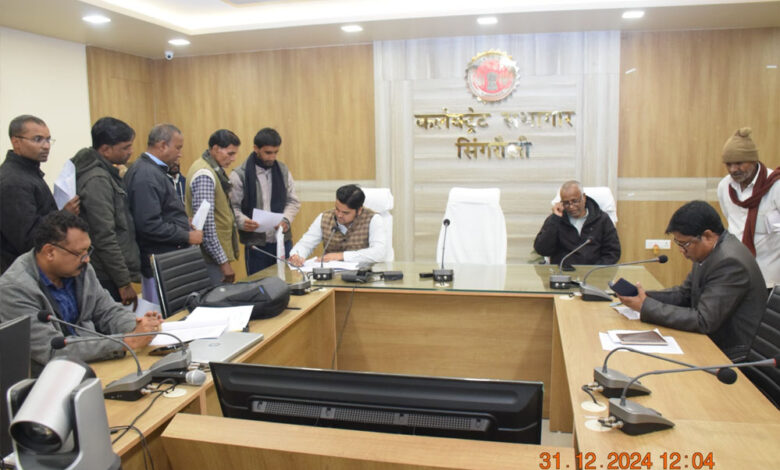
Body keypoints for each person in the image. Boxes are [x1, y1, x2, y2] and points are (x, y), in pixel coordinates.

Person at [0, 211, 161, 376]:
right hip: (49, 378)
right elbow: (51, 350)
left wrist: (139, 326)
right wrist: (125, 341)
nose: (87, 259)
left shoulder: (80, 269)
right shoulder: (15, 289)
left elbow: (107, 311)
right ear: (50, 252)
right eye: (80, 253)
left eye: (87, 251)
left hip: (95, 363)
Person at [617, 201, 766, 362]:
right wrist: (645, 296)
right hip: (713, 340)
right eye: (678, 243)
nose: (681, 250)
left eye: (684, 244)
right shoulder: (710, 251)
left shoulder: (730, 262)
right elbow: (684, 294)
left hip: (732, 352)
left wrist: (645, 306)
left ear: (707, 236)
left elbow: (704, 321)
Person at [125, 124, 203, 303]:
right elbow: (149, 224)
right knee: (164, 314)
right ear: (162, 145)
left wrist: (182, 222)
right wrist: (186, 236)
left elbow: (160, 212)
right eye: (178, 148)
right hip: (159, 263)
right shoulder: (146, 174)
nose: (180, 154)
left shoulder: (152, 170)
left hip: (165, 260)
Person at [71, 117, 141, 307]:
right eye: (125, 147)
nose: (130, 151)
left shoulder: (107, 173)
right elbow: (104, 236)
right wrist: (123, 282)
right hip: (106, 275)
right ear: (105, 149)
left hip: (110, 272)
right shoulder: (97, 180)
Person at [0, 114, 80, 273]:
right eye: (38, 139)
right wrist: (63, 215)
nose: (46, 146)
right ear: (16, 142)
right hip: (22, 274)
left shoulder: (28, 172)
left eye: (48, 139)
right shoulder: (13, 182)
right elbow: (27, 239)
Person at [229, 128, 300, 274]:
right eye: (268, 152)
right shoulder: (239, 175)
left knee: (287, 282)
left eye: (276, 152)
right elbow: (232, 207)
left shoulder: (283, 170)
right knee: (259, 284)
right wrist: (243, 221)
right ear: (256, 148)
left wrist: (286, 220)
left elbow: (293, 201)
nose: (272, 157)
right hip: (256, 245)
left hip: (282, 241)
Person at [716, 127, 779, 288]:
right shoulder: (724, 187)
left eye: (739, 163)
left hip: (770, 277)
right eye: (729, 164)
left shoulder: (775, 186)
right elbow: (730, 220)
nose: (733, 169)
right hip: (736, 273)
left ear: (753, 160)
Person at [186, 129, 241, 284]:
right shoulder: (205, 174)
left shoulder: (210, 168)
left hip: (212, 257)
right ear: (216, 149)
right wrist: (224, 263)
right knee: (217, 297)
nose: (233, 159)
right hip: (210, 259)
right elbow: (205, 226)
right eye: (230, 153)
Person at [288, 184, 386, 267]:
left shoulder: (373, 219)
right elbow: (305, 244)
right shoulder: (325, 217)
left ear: (359, 210)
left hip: (362, 276)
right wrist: (297, 255)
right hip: (330, 276)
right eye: (337, 209)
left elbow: (379, 253)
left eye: (345, 213)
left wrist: (341, 256)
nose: (339, 215)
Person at [533, 180, 620, 267]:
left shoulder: (602, 219)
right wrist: (555, 219)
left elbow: (612, 252)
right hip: (563, 272)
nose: (571, 206)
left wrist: (595, 270)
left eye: (575, 201)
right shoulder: (556, 220)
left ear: (584, 197)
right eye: (566, 203)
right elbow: (542, 250)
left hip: (594, 272)